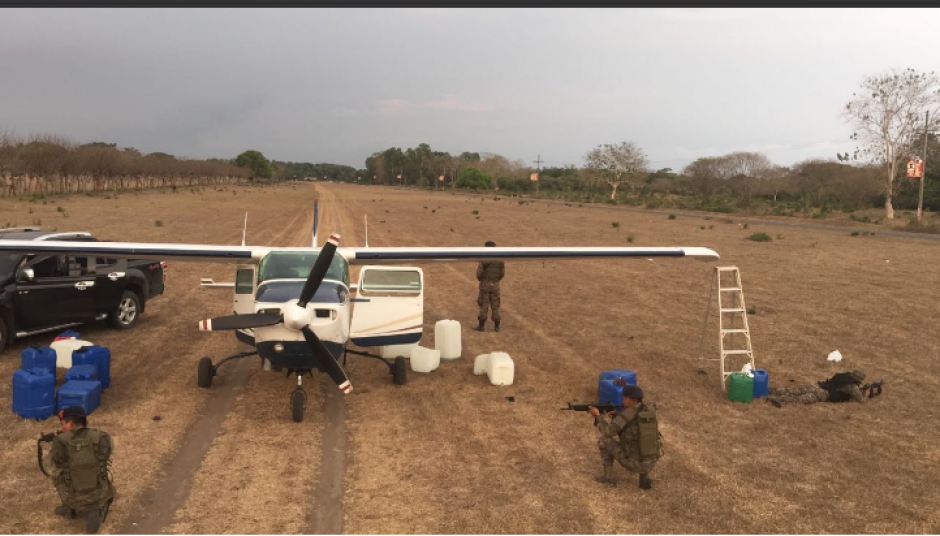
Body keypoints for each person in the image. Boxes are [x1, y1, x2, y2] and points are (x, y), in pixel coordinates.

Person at [45, 406, 115, 534]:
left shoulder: (61, 441)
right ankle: (94, 508)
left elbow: (52, 464)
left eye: (63, 424)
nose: (61, 427)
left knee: (56, 473)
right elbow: (108, 452)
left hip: (73, 492)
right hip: (99, 491)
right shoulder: (101, 436)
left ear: (71, 424)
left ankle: (69, 508)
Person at [589, 384, 663, 490]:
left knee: (604, 441)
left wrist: (597, 416)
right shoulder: (648, 410)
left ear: (629, 399)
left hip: (634, 464)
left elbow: (608, 432)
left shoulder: (625, 416)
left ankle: (608, 478)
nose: (622, 400)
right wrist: (617, 415)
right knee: (642, 439)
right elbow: (633, 424)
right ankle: (644, 476)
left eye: (624, 398)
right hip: (651, 461)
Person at [767, 369, 872, 407]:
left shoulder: (844, 376)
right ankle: (777, 400)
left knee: (793, 391)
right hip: (823, 394)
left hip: (818, 387)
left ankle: (770, 390)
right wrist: (866, 394)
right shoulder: (852, 386)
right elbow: (861, 400)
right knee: (798, 398)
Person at [474, 241, 504, 332]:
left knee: (484, 305)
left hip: (485, 285)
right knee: (495, 306)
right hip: (495, 285)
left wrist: (483, 280)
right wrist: (496, 280)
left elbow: (479, 274)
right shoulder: (500, 259)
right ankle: (497, 327)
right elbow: (502, 274)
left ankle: (481, 326)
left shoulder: (484, 259)